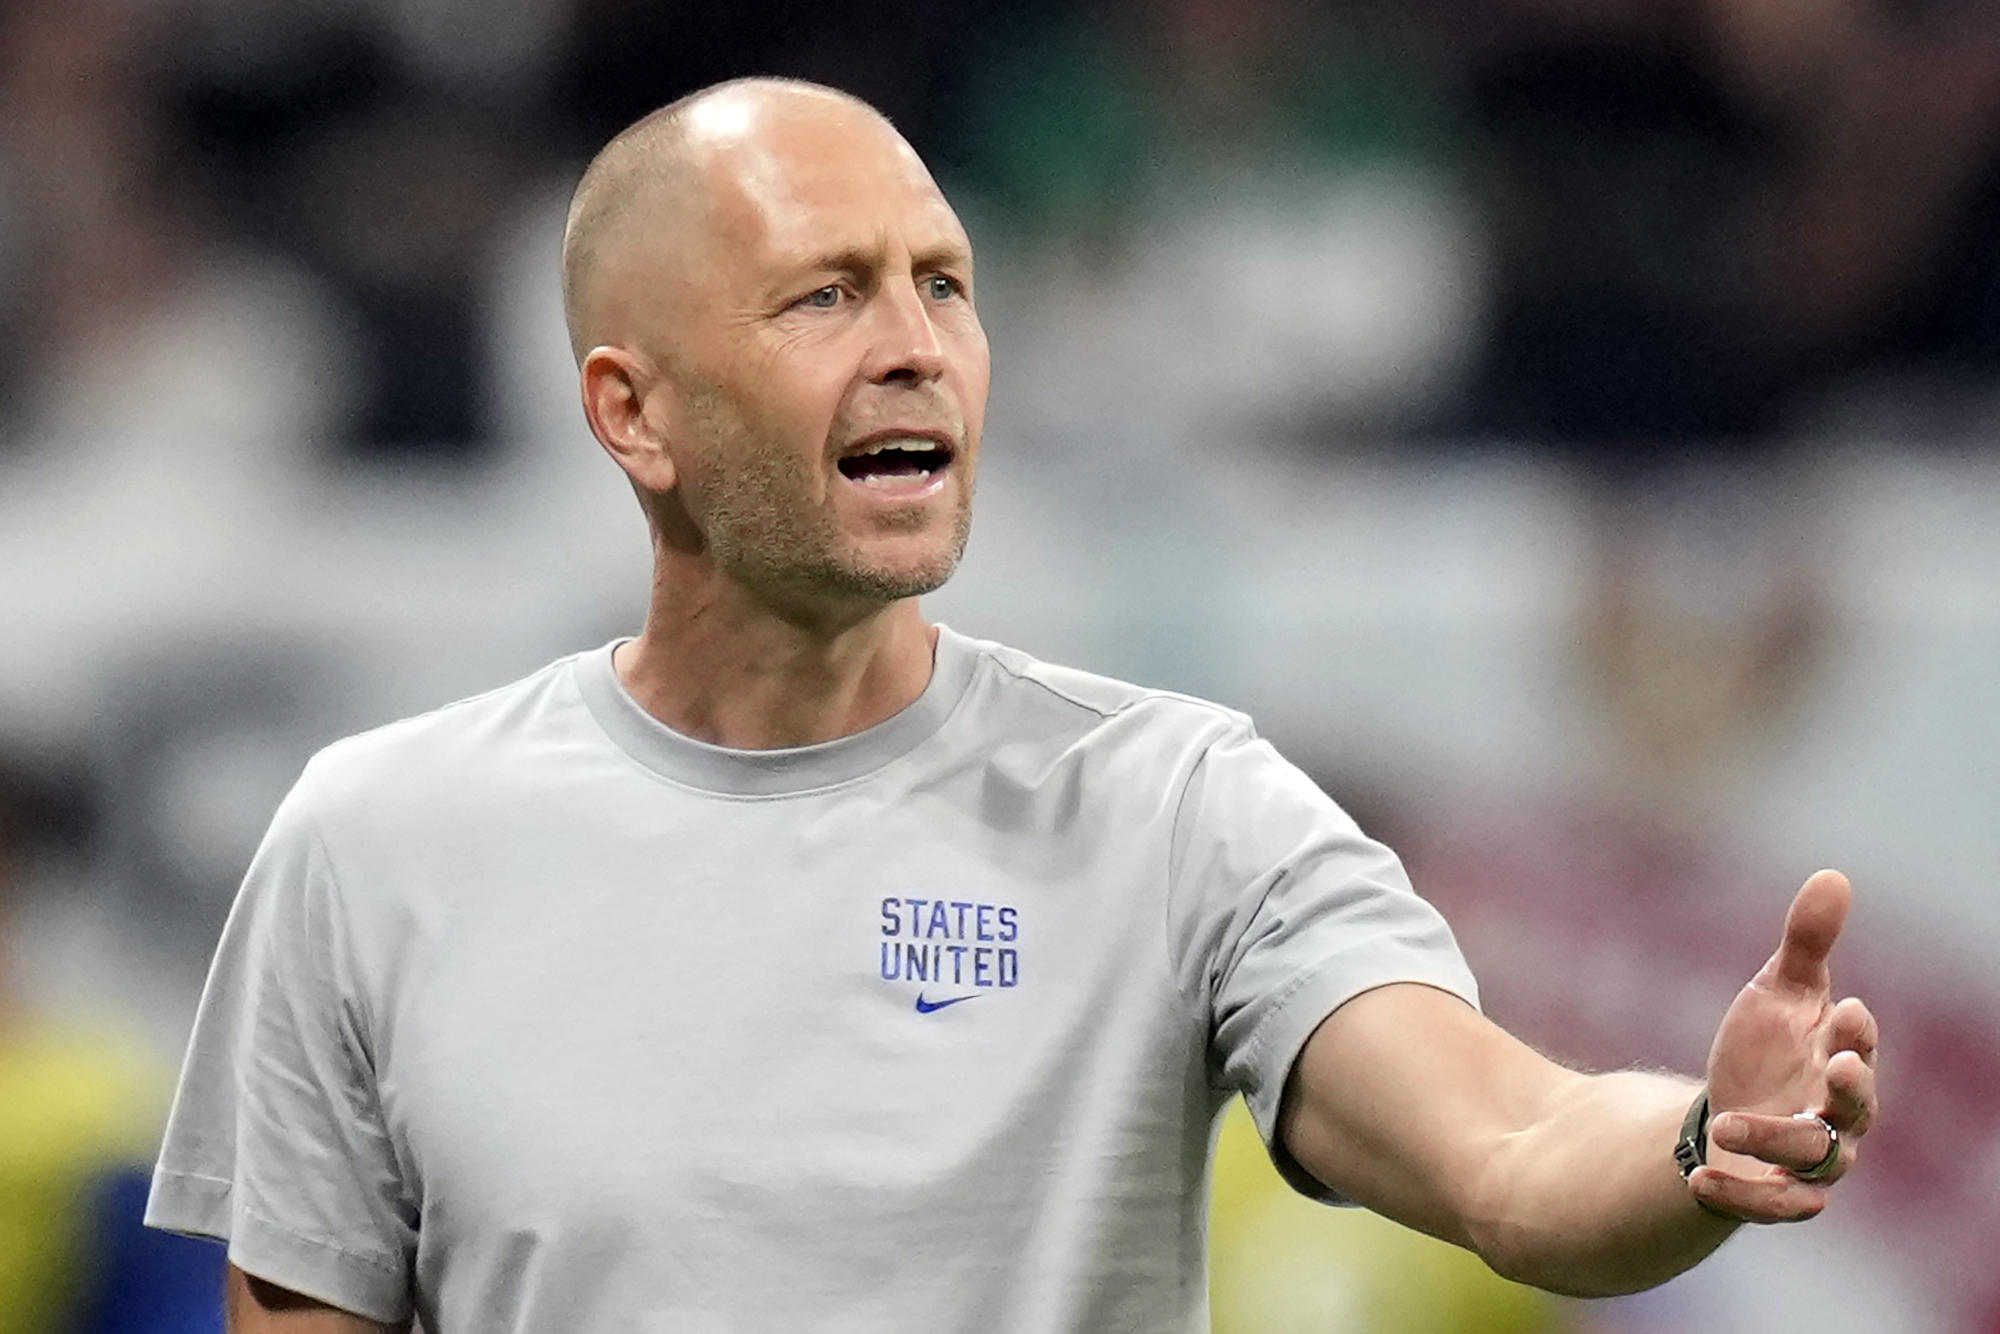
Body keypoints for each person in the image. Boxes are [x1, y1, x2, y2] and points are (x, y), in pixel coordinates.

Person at [144, 78, 1880, 1333]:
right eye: (826, 292)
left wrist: (1692, 1141)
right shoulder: (373, 843)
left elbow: (1507, 1149)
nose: (916, 343)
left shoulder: (1186, 807)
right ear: (633, 412)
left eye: (945, 283)